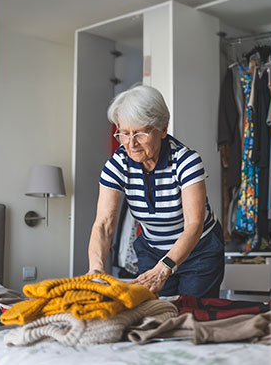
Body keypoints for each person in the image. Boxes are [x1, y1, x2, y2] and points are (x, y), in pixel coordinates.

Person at [88, 84, 224, 297]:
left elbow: (194, 225)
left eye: (140, 133)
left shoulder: (186, 161)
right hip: (152, 250)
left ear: (162, 129)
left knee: (192, 315)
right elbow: (104, 224)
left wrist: (165, 268)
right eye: (124, 133)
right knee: (153, 313)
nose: (131, 144)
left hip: (199, 251)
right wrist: (96, 270)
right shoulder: (117, 164)